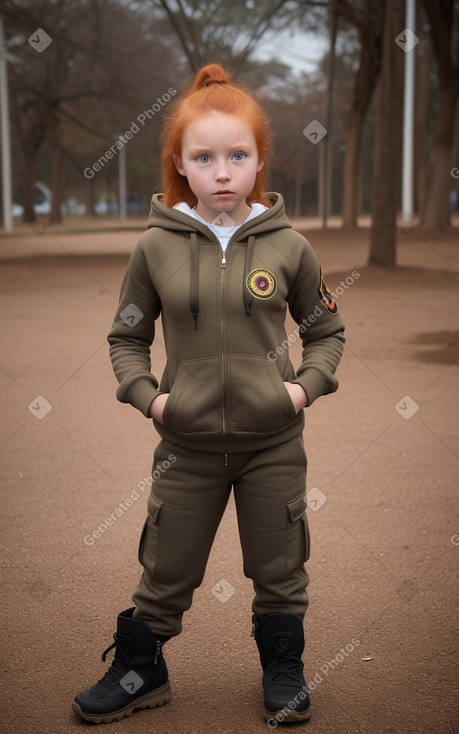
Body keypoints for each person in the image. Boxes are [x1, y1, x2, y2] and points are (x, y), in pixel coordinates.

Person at [72, 63, 345, 726]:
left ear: (258, 163)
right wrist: (150, 399)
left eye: (237, 156)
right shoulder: (153, 249)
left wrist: (301, 392)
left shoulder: (290, 247)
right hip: (185, 446)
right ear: (180, 166)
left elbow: (326, 330)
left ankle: (283, 670)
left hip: (272, 444)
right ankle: (142, 667)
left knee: (279, 569)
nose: (221, 171)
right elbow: (126, 338)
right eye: (204, 157)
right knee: (165, 569)